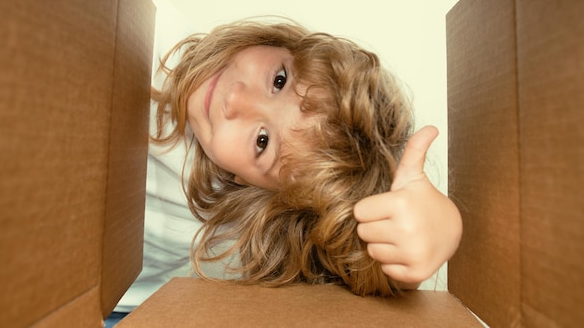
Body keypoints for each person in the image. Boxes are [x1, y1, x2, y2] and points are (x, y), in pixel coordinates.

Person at [146, 17, 462, 297]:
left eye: (262, 141)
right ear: (288, 47)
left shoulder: (238, 218)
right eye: (279, 81)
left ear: (251, 185)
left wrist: (444, 231)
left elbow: (358, 268)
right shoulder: (152, 35)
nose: (235, 98)